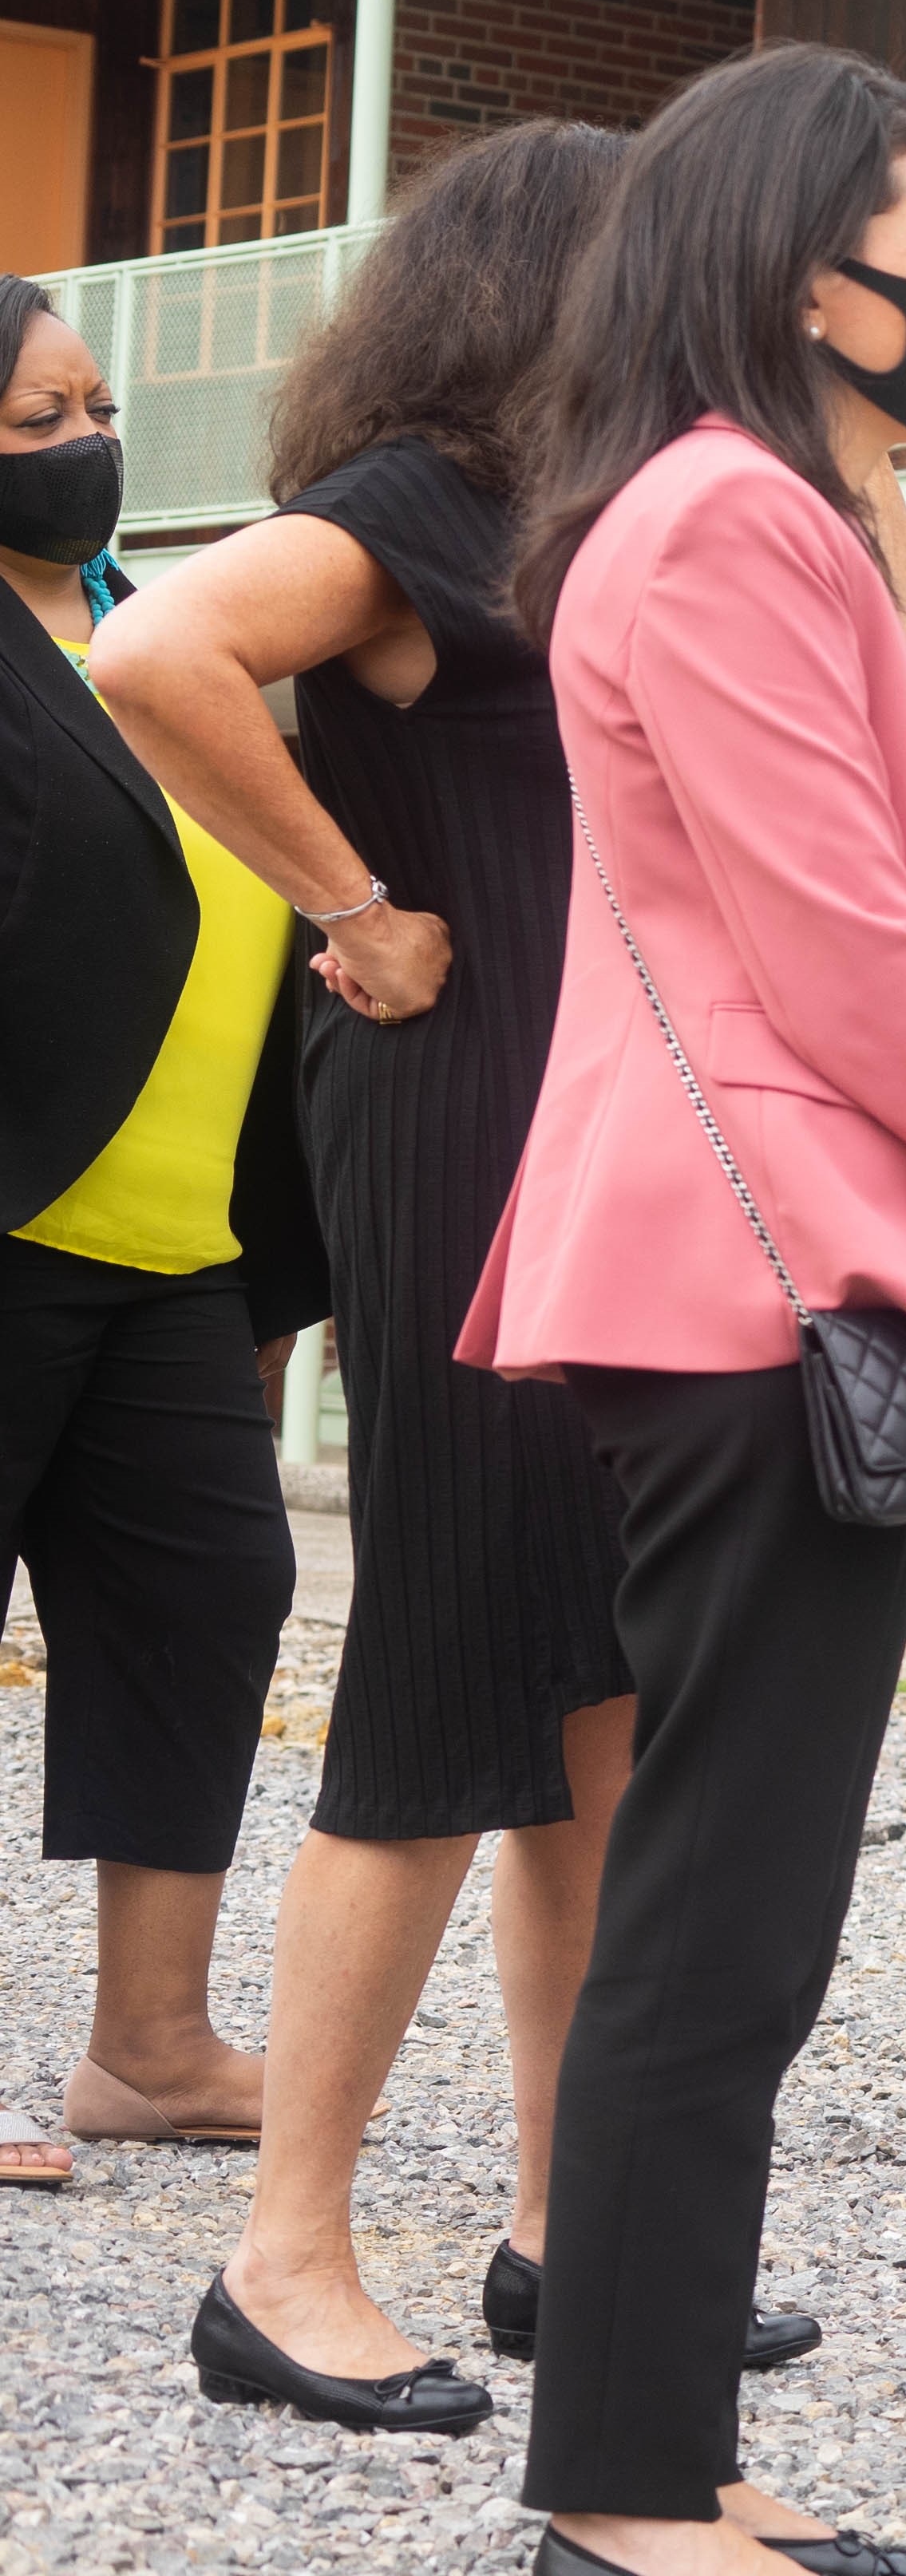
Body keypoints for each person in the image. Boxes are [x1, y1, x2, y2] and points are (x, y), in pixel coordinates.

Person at [466, 43, 906, 2574]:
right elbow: (858, 961)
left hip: (734, 1273)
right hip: (756, 1281)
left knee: (732, 1905)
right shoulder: (729, 524)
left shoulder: (742, 506)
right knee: (723, 1910)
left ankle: (660, 2454)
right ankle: (632, 2496)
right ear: (801, 279)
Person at [101, 121, 831, 2432]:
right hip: (459, 1133)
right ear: (544, 281)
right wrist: (348, 901)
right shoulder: (424, 498)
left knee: (594, 1712)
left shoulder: (598, 508)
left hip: (594, 1143)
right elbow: (159, 645)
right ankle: (283, 2260)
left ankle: (569, 2224)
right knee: (436, 1696)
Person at [0, 273, 322, 2195]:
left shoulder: (164, 630)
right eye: (37, 419)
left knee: (211, 1603)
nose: (84, 445)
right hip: (13, 1221)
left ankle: (149, 2044)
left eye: (94, 406)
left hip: (179, 1251)